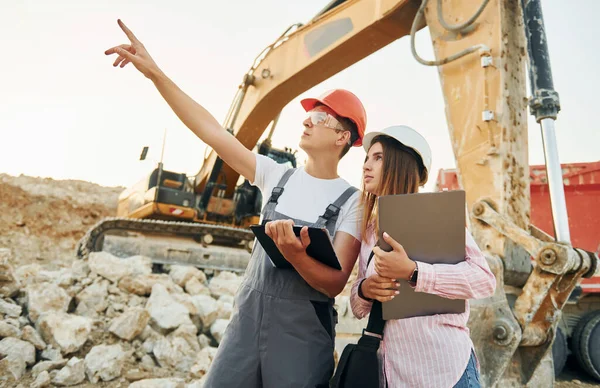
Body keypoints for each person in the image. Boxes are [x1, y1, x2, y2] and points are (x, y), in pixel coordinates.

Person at [105, 19, 366, 387]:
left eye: (320, 118)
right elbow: (212, 131)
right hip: (246, 323)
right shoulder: (277, 176)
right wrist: (156, 74)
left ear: (342, 136)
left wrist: (296, 255)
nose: (306, 122)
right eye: (307, 116)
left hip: (302, 338)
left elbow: (335, 283)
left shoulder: (352, 201)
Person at [350, 125, 497, 388]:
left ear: (403, 164)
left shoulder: (438, 216)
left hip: (446, 373)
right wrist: (365, 289)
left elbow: (484, 280)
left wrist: (413, 272)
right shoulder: (369, 232)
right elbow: (358, 307)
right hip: (392, 376)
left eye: (378, 157)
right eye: (366, 158)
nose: (366, 166)